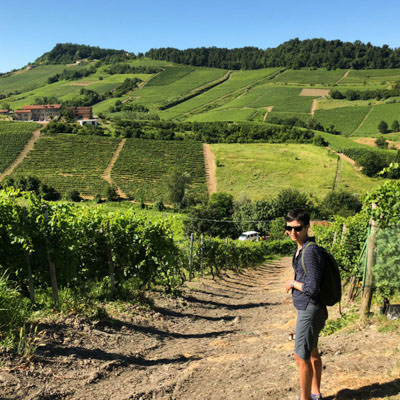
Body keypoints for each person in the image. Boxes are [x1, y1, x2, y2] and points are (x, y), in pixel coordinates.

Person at [284, 209, 327, 400]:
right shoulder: (301, 249)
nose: (293, 232)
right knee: (311, 352)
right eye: (289, 228)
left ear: (307, 227)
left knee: (301, 356)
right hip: (310, 308)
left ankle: (306, 398)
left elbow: (312, 287)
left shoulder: (309, 252)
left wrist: (293, 283)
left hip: (310, 309)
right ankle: (315, 393)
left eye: (297, 228)